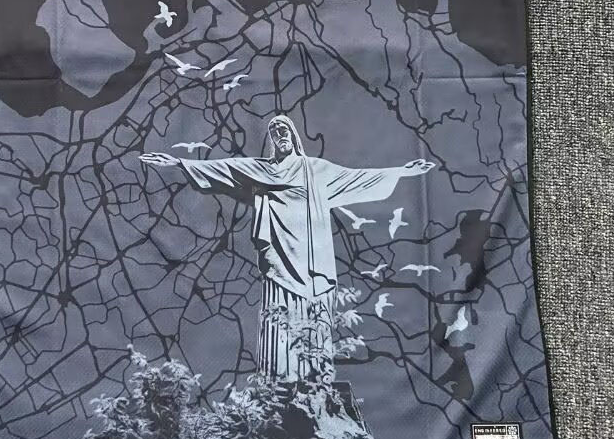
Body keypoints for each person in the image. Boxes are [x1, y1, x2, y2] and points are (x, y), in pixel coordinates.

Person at [140, 115, 434, 383]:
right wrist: (178, 163)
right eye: (275, 131)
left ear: (293, 136)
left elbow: (356, 177)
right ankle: (278, 376)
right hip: (279, 255)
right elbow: (225, 168)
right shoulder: (262, 169)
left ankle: (314, 376)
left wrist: (402, 172)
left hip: (311, 255)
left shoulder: (314, 169)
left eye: (284, 130)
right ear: (271, 140)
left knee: (313, 309)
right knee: (279, 309)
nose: (280, 134)